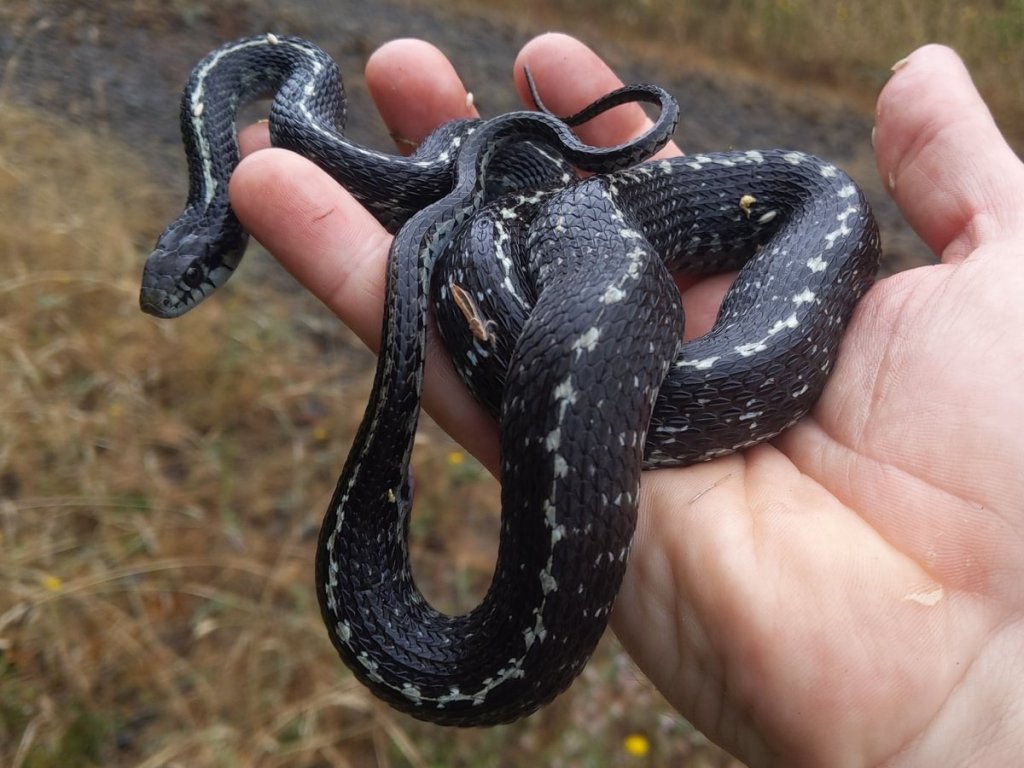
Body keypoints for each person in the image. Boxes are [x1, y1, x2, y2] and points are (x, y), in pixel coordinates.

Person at [228, 33, 1024, 766]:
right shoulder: (552, 231)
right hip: (562, 244)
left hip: (620, 249)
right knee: (587, 263)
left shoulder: (805, 202)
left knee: (708, 237)